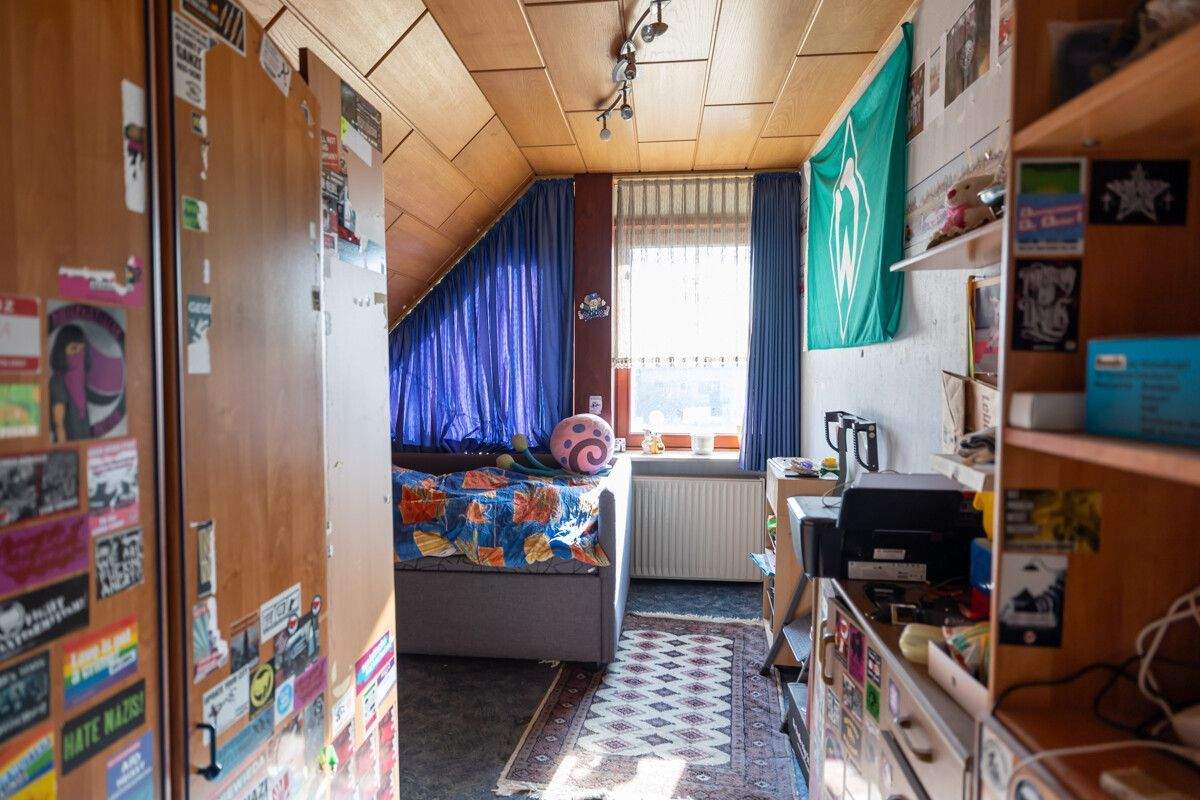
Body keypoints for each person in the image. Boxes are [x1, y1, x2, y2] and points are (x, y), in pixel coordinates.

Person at [49, 324, 92, 442]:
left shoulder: (80, 380)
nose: (78, 354)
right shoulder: (58, 381)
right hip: (68, 447)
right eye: (73, 349)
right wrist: (64, 449)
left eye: (82, 349)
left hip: (84, 443)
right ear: (62, 351)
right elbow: (59, 424)